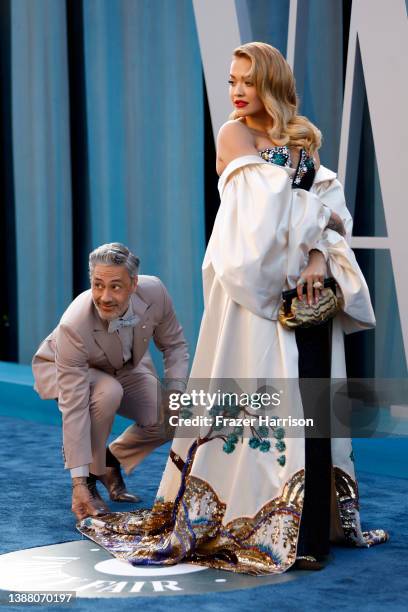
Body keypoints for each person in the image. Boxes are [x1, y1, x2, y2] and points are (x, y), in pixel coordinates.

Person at [77, 43, 388, 574]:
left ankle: (312, 531)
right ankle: (266, 520)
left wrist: (316, 256)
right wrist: (315, 223)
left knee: (311, 402)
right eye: (231, 81)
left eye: (247, 80)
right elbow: (259, 219)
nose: (237, 92)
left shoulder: (303, 138)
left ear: (271, 83)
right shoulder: (234, 134)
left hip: (307, 293)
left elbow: (332, 210)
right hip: (255, 296)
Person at [32, 242, 189, 522]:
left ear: (133, 284)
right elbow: (76, 408)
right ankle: (90, 480)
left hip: (122, 365)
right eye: (97, 285)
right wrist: (79, 484)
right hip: (67, 370)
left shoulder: (155, 292)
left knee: (170, 415)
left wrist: (176, 393)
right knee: (107, 392)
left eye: (115, 286)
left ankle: (108, 462)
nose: (104, 296)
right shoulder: (74, 324)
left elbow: (174, 345)